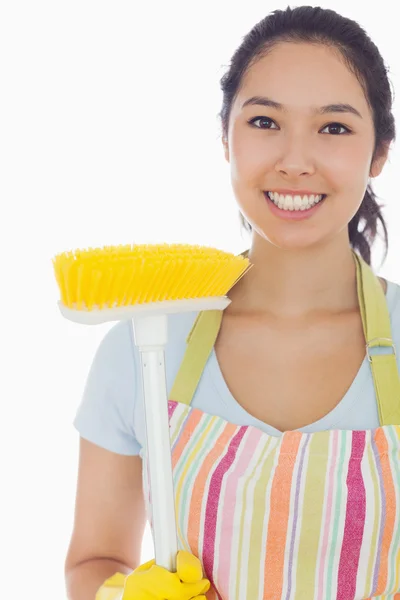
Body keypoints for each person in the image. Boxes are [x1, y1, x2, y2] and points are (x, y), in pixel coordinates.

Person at [64, 5, 400, 599]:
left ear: (379, 153)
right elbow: (96, 558)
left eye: (335, 128)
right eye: (265, 122)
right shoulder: (143, 345)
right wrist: (123, 596)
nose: (294, 161)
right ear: (225, 137)